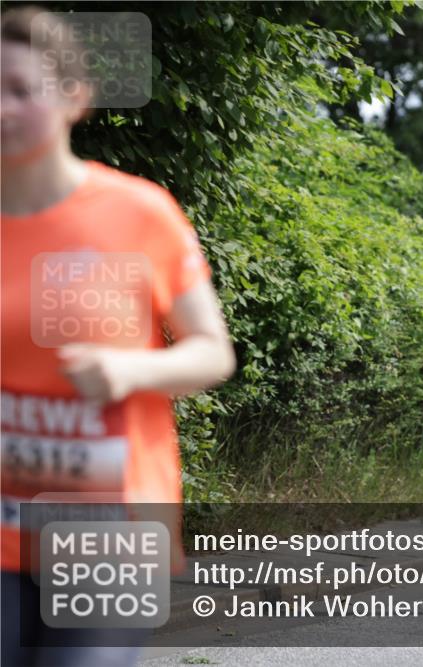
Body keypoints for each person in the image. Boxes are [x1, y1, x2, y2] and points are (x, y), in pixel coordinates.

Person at [1, 7, 236, 665]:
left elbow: (213, 352)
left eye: (19, 89)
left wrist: (131, 371)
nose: (1, 108)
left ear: (74, 97)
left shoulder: (138, 214)